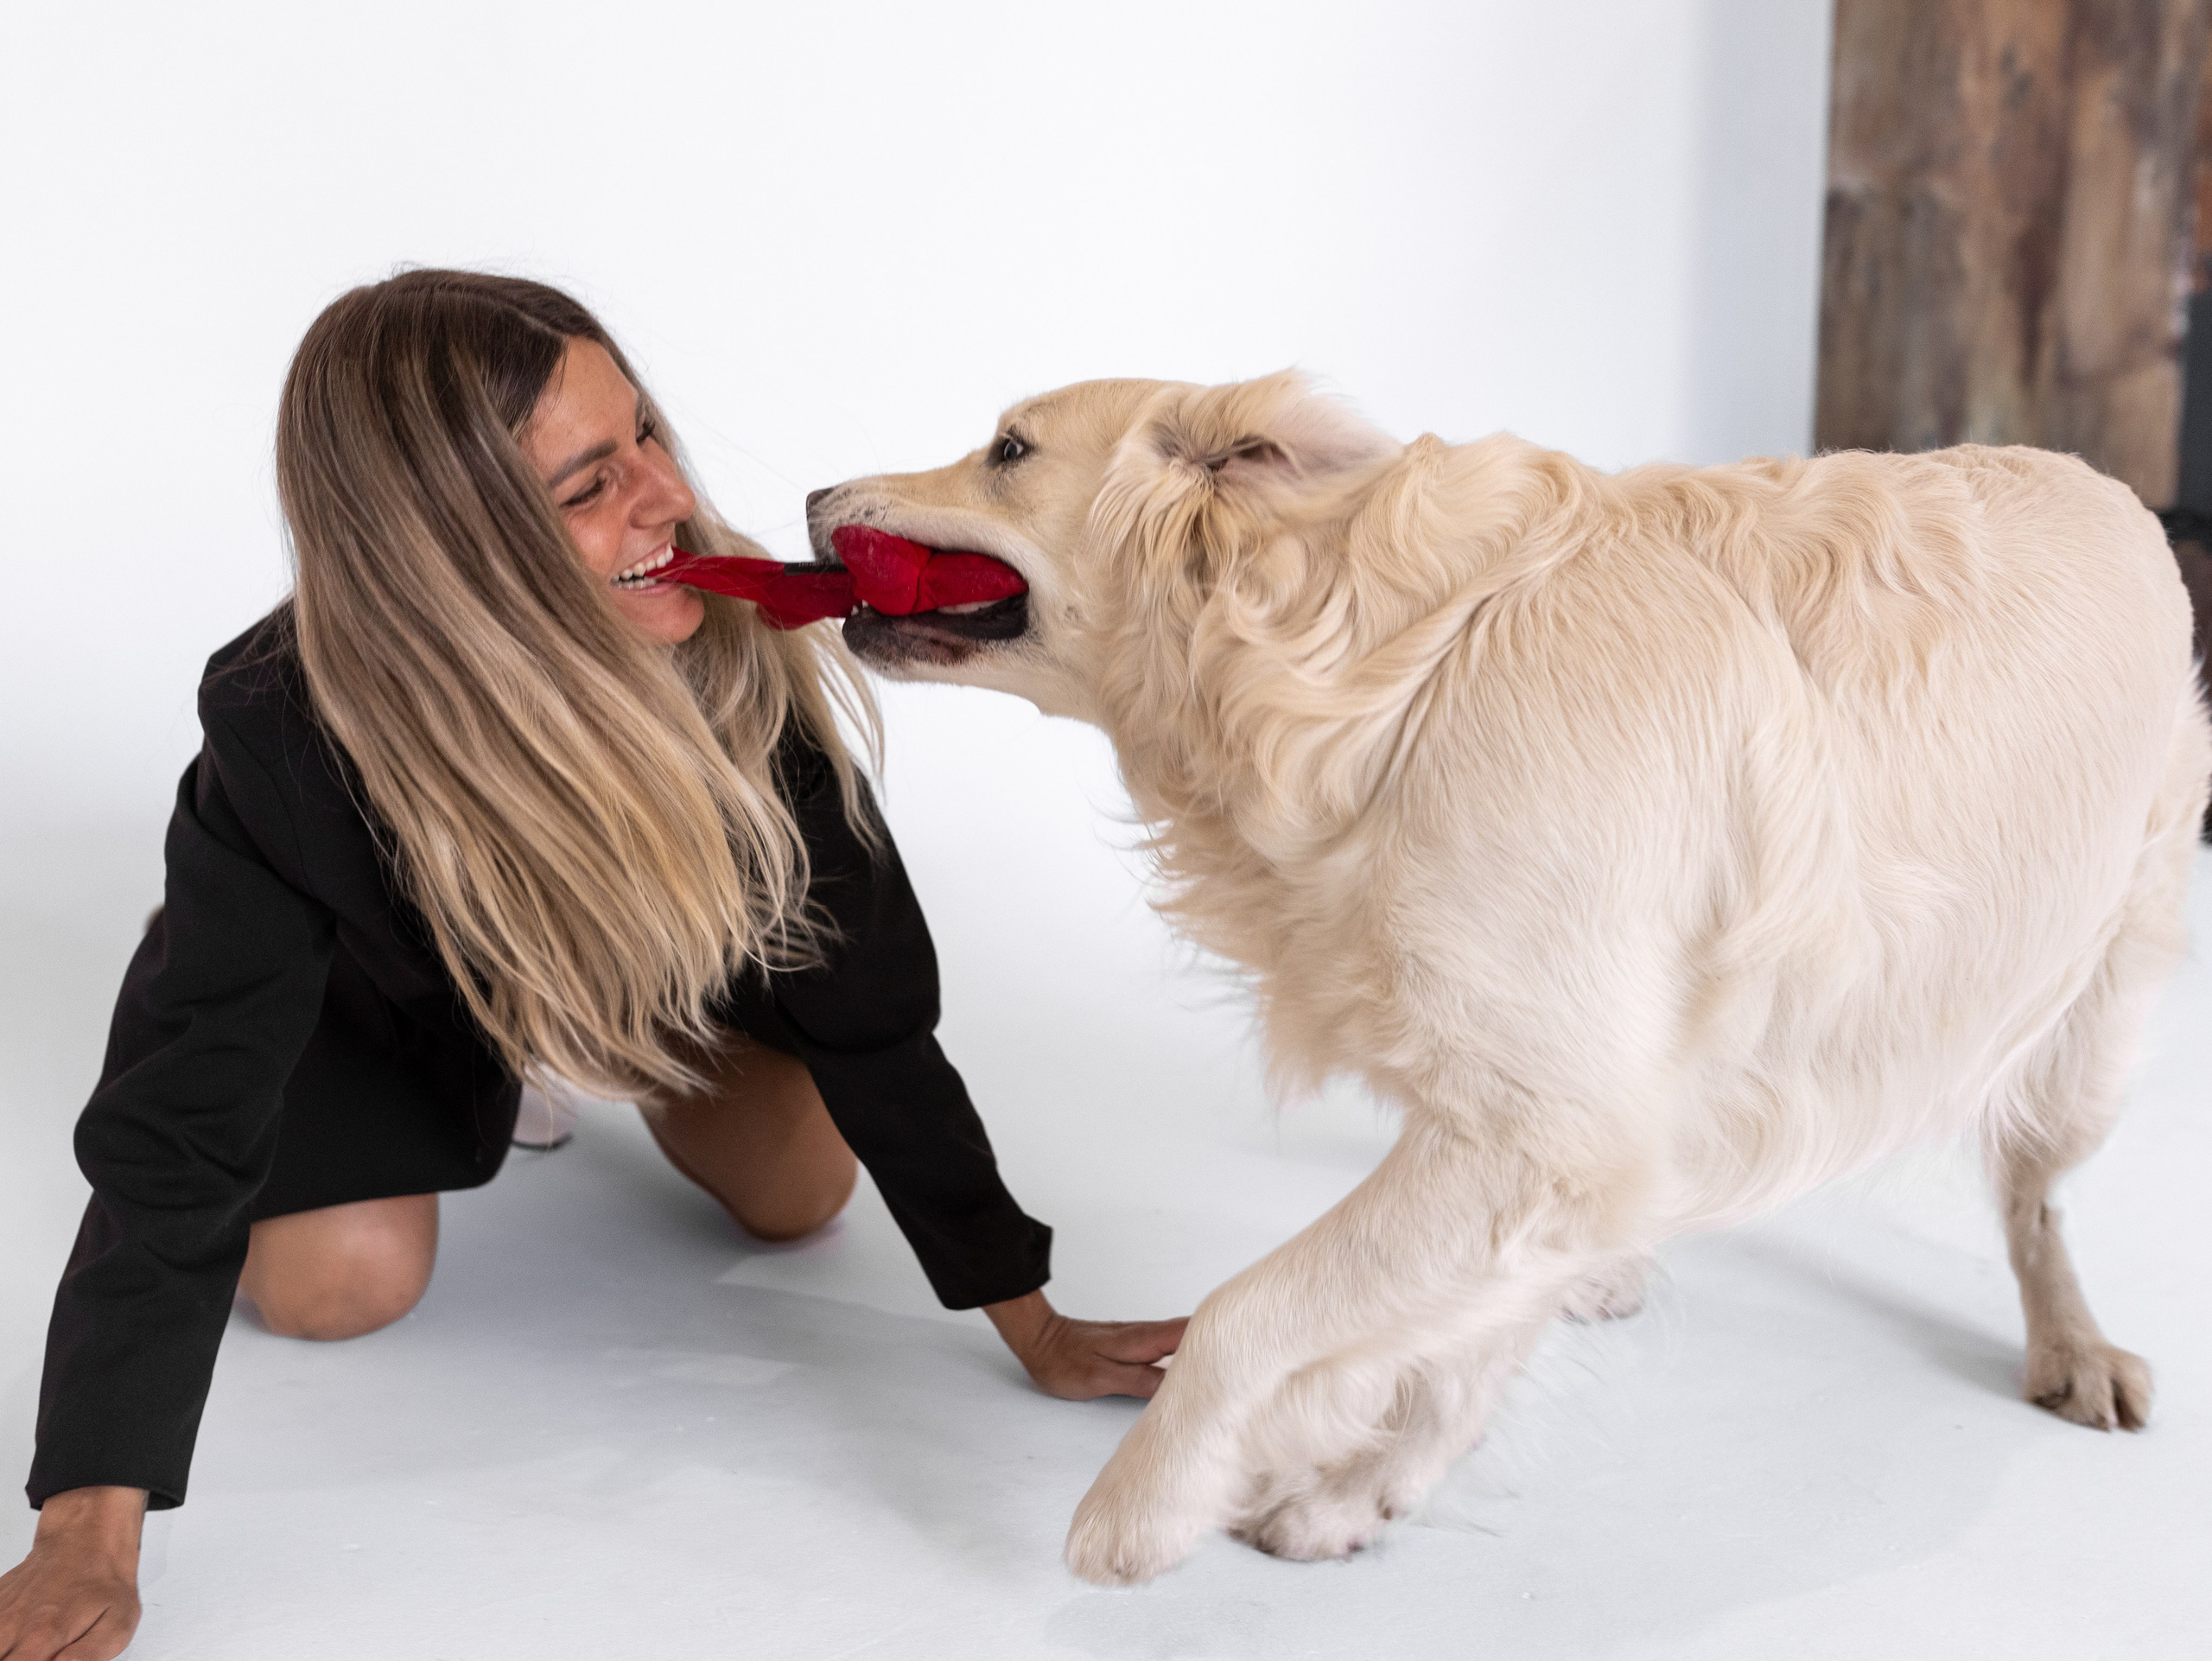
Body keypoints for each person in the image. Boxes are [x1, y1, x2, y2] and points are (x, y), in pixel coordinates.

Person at [0, 270, 1184, 1661]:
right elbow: (181, 1128)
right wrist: (86, 1528)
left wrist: (1028, 1317)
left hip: (668, 978)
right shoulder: (279, 734)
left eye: (646, 434)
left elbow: (874, 1019)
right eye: (587, 486)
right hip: (405, 1006)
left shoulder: (730, 655)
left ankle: (592, 1041)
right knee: (339, 1289)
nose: (668, 494)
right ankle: (514, 1055)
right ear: (449, 560)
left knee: (802, 1188)